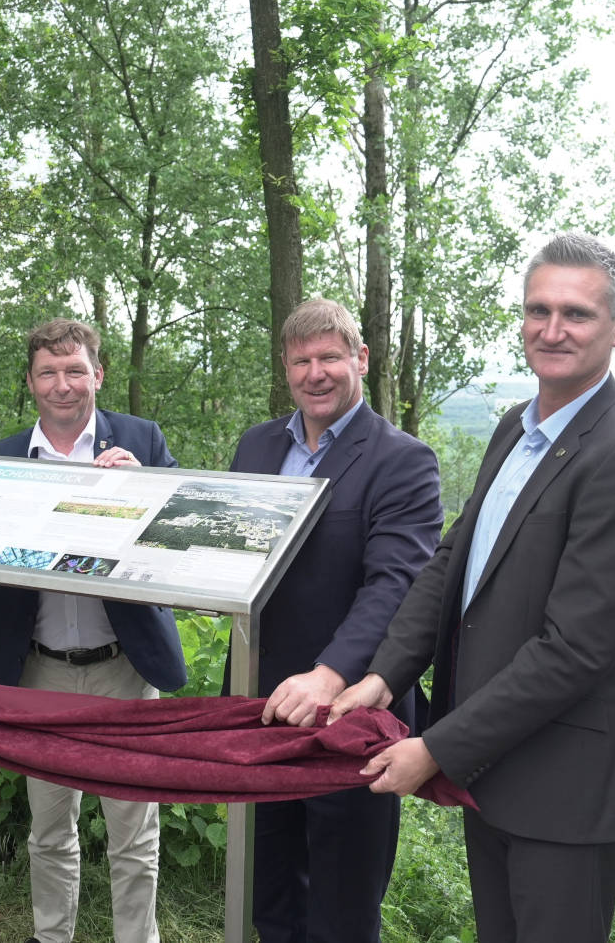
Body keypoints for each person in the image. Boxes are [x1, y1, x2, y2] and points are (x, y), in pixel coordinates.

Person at [329, 233, 615, 943]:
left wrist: (435, 749)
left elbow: (574, 650)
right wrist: (380, 676)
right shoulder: (514, 430)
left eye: (577, 314)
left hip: (566, 785)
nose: (553, 330)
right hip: (494, 770)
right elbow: (450, 563)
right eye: (538, 310)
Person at [228, 298, 443, 943]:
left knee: (343, 908)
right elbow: (225, 549)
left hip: (352, 710)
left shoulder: (402, 459)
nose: (315, 373)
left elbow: (395, 586)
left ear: (361, 359)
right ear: (286, 368)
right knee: (270, 888)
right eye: (301, 360)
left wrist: (329, 675)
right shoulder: (258, 446)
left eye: (329, 357)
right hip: (264, 704)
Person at [0, 318, 187, 943]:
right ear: (30, 382)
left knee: (133, 833)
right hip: (38, 670)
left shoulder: (142, 440)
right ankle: (52, 938)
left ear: (98, 375)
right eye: (48, 372)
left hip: (126, 667)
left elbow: (188, 539)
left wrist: (147, 490)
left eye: (75, 371)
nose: (62, 385)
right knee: (49, 830)